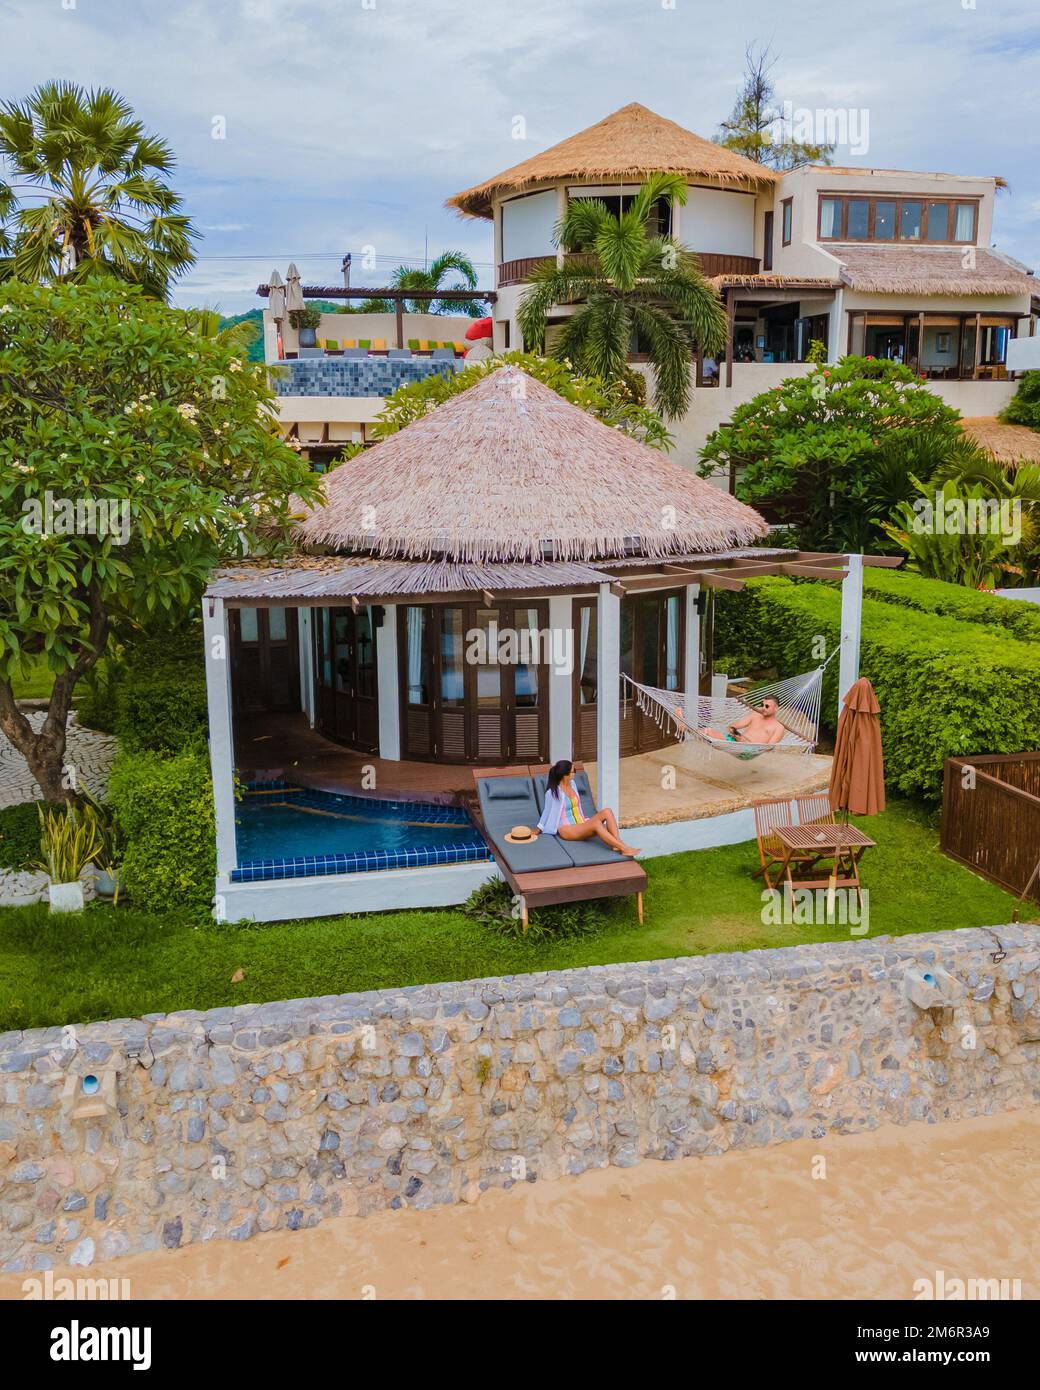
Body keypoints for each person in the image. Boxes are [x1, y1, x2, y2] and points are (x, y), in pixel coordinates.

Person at [535, 759, 642, 857]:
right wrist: (538, 829)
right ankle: (624, 848)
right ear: (565, 775)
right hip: (567, 829)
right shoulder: (553, 793)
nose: (575, 773)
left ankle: (616, 843)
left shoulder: (573, 784)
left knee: (607, 811)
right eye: (573, 771)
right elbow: (546, 811)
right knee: (596, 824)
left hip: (581, 823)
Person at [704, 695, 786, 747]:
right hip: (736, 741)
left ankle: (716, 743)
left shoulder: (779, 728)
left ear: (776, 708)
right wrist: (734, 732)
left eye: (767, 706)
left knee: (715, 740)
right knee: (705, 732)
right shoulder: (755, 715)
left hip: (750, 750)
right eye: (762, 705)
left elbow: (768, 748)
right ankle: (711, 739)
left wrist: (746, 742)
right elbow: (734, 726)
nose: (763, 708)